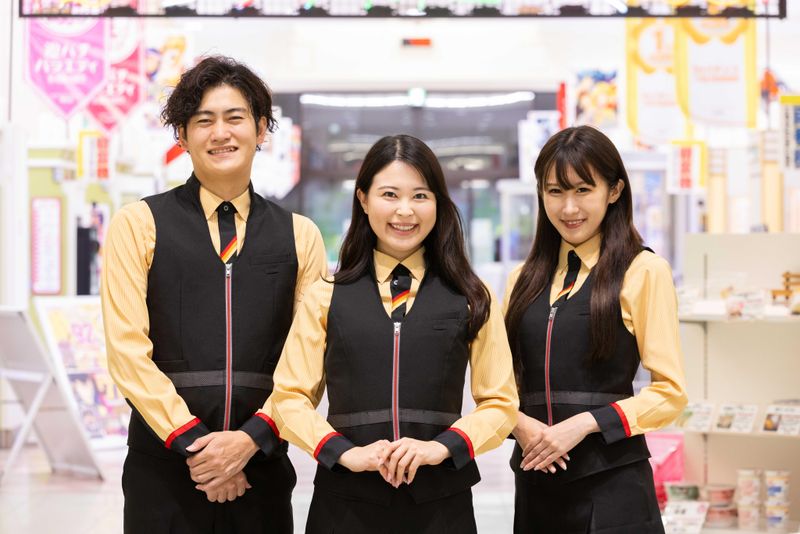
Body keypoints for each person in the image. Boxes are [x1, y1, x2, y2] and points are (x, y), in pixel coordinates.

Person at [101, 56, 327, 534]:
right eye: (203, 120)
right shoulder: (139, 225)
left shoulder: (300, 235)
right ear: (182, 136)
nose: (220, 133)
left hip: (261, 468)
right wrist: (197, 447)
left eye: (234, 117)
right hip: (162, 472)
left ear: (261, 129)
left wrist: (248, 441)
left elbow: (308, 361)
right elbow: (127, 352)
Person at [264, 134, 518, 533]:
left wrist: (439, 448)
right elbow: (289, 396)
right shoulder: (325, 296)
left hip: (442, 507)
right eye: (389, 195)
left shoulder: (471, 296)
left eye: (420, 196)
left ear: (438, 204)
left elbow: (500, 403)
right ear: (363, 200)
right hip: (344, 506)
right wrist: (344, 453)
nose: (405, 210)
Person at [503, 125, 688, 533]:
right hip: (535, 483)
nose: (569, 207)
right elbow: (498, 384)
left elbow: (670, 393)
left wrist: (584, 424)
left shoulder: (643, 271)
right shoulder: (521, 280)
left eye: (583, 190)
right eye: (555, 191)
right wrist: (518, 422)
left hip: (613, 487)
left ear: (614, 190)